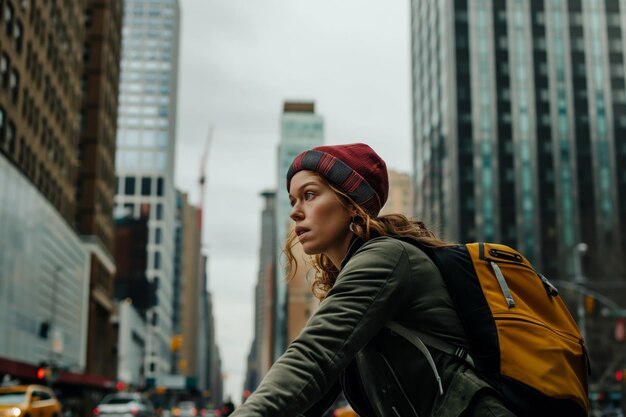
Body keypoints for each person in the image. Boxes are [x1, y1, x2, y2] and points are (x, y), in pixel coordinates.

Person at [232, 143, 515, 417]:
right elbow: (314, 393)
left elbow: (313, 356)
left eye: (309, 195)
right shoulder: (359, 274)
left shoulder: (386, 258)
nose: (295, 210)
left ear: (351, 203)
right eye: (293, 200)